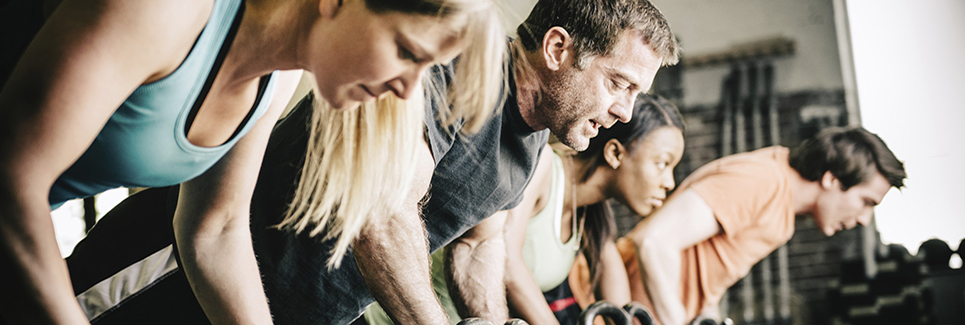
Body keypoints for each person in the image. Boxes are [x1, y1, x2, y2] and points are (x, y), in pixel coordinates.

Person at [60, 0, 680, 324]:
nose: (625, 111)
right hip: (179, 270)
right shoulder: (443, 66)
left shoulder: (531, 143)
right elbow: (382, 214)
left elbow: (479, 244)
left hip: (300, 310)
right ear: (557, 48)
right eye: (619, 83)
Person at [0, 0, 506, 323]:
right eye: (405, 51)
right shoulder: (172, 10)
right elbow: (14, 179)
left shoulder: (276, 74)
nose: (407, 88)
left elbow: (214, 230)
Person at [364, 94, 686, 325]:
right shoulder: (543, 166)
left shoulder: (592, 217)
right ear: (615, 153)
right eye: (662, 164)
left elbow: (617, 301)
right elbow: (509, 265)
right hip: (402, 315)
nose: (669, 182)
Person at [583, 127, 906, 325]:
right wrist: (676, 322)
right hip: (598, 310)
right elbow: (654, 242)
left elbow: (705, 275)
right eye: (867, 202)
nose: (864, 219)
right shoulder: (761, 180)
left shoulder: (783, 211)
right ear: (833, 179)